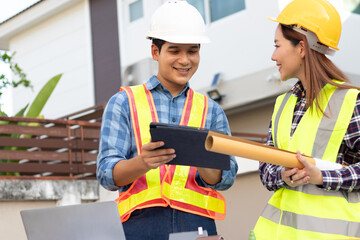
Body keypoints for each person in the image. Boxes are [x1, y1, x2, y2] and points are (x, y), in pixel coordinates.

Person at [96, 1, 238, 240]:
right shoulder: (123, 103)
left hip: (198, 225)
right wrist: (143, 162)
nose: (185, 60)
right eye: (174, 50)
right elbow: (106, 173)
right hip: (140, 226)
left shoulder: (211, 111)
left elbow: (226, 177)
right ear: (155, 52)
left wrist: (203, 158)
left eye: (192, 51)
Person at [253, 0, 360, 239]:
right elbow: (265, 167)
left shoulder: (351, 101)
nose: (273, 56)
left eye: (277, 45)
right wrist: (281, 174)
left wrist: (323, 177)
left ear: (301, 48)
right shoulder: (282, 105)